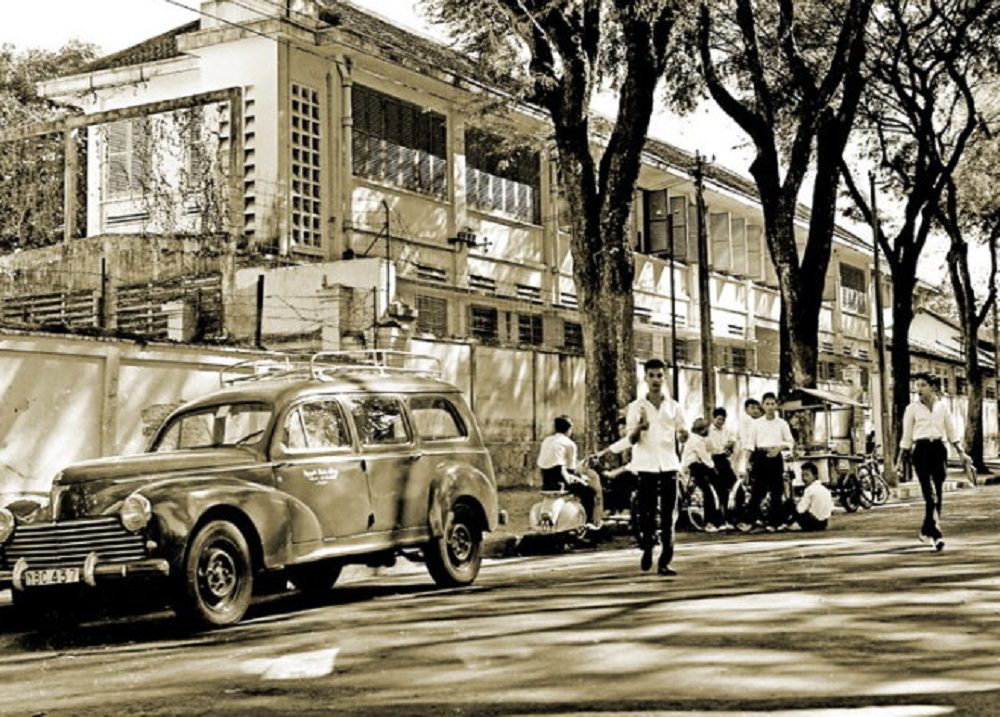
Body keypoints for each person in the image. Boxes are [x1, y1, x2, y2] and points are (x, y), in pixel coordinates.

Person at [626, 357, 688, 576]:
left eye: (659, 375)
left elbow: (683, 433)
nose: (655, 380)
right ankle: (647, 546)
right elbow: (630, 439)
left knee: (670, 514)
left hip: (669, 464)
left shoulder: (674, 406)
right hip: (646, 465)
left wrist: (684, 434)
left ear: (665, 377)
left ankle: (665, 560)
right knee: (647, 512)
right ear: (645, 378)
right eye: (651, 375)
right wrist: (640, 427)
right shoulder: (636, 407)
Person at [894, 372, 965, 551]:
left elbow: (951, 432)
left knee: (938, 493)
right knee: (930, 494)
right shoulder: (912, 409)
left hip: (939, 449)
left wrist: (962, 453)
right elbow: (906, 436)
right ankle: (937, 534)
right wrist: (899, 460)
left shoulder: (942, 407)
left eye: (923, 385)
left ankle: (927, 529)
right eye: (917, 385)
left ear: (932, 387)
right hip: (921, 450)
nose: (918, 389)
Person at [536, 415, 602, 527]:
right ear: (569, 429)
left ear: (555, 428)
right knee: (590, 492)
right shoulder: (570, 444)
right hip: (561, 480)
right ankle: (589, 523)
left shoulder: (546, 441)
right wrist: (582, 476)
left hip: (546, 480)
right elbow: (572, 469)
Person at [745, 392, 794, 530]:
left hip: (775, 458)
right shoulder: (756, 424)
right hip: (760, 458)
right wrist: (746, 462)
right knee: (757, 490)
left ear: (776, 405)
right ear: (763, 405)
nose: (770, 407)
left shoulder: (782, 423)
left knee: (776, 491)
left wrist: (779, 448)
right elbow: (750, 444)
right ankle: (750, 521)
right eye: (767, 404)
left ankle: (775, 522)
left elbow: (790, 442)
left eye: (773, 404)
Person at [681, 417, 725, 531]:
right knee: (708, 492)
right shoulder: (696, 440)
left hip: (700, 466)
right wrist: (713, 469)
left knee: (716, 490)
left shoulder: (701, 439)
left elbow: (713, 448)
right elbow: (705, 457)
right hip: (695, 467)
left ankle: (718, 520)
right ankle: (709, 522)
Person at [707, 407, 738, 526]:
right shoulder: (708, 431)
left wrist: (729, 445)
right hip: (713, 461)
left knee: (733, 488)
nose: (721, 422)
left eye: (723, 420)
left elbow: (733, 440)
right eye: (719, 419)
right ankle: (717, 520)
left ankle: (730, 518)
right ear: (713, 418)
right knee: (718, 491)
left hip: (724, 461)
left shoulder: (727, 430)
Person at [789, 461, 833, 531]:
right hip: (823, 523)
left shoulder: (809, 490)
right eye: (802, 475)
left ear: (815, 476)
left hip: (812, 523)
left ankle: (781, 524)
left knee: (789, 504)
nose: (804, 478)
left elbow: (800, 510)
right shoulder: (826, 490)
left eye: (807, 475)